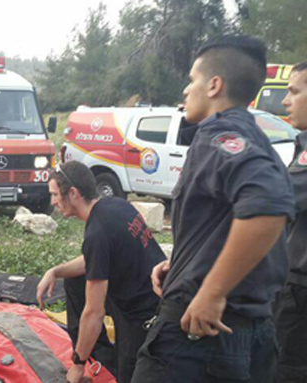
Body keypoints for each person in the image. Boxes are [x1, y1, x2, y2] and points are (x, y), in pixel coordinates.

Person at [131, 35, 295, 383]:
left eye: (192, 81)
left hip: (202, 335)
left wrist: (212, 290)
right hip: (249, 329)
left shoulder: (220, 134)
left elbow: (267, 208)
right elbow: (229, 222)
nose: (186, 91)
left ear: (214, 85)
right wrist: (183, 264)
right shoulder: (257, 140)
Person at [36, 161, 165, 383]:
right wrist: (56, 271)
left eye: (55, 194)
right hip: (142, 292)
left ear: (73, 193)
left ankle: (105, 361)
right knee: (74, 281)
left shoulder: (98, 233)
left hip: (146, 316)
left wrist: (78, 364)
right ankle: (104, 357)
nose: (53, 201)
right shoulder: (115, 205)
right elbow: (95, 261)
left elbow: (94, 314)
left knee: (128, 376)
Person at [276, 61, 307, 383]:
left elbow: (272, 204)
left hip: (299, 292)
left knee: (287, 369)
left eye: (294, 91)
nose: (286, 101)